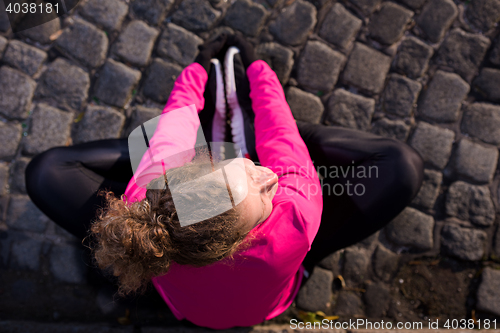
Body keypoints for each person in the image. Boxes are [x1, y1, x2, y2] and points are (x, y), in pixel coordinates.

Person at [25, 32, 424, 329]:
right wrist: (257, 69)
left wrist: (197, 68)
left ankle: (220, 140)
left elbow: (176, 119)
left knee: (47, 173)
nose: (267, 176)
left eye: (248, 167)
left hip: (186, 301)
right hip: (275, 291)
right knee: (402, 167)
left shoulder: (146, 200)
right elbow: (282, 141)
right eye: (259, 186)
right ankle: (240, 137)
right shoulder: (297, 218)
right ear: (244, 236)